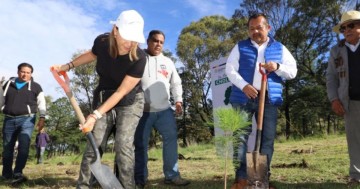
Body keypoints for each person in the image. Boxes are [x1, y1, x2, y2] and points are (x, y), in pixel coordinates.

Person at [51, 9, 146, 189]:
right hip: (104, 97)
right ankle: (84, 185)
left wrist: (94, 116)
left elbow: (121, 92)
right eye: (127, 37)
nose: (130, 43)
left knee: (123, 146)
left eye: (134, 38)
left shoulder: (140, 58)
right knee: (94, 144)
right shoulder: (102, 42)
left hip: (130, 101)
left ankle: (127, 186)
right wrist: (67, 66)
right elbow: (92, 54)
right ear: (115, 31)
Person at [225, 13, 297, 189]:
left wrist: (277, 67)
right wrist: (244, 86)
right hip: (243, 98)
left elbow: (293, 71)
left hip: (269, 100)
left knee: (267, 139)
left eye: (259, 27)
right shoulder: (240, 46)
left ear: (268, 28)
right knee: (239, 138)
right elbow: (230, 70)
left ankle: (261, 179)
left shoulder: (279, 48)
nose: (255, 31)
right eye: (251, 28)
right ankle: (242, 178)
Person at [134, 30, 190, 188]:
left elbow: (176, 83)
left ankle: (172, 175)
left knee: (171, 140)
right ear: (148, 41)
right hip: (142, 111)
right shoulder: (138, 58)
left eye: (161, 42)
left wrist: (178, 100)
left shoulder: (168, 61)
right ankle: (140, 179)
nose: (158, 44)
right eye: (155, 40)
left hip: (165, 110)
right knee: (140, 144)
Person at [326, 10, 360, 185]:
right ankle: (355, 175)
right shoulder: (336, 51)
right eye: (343, 28)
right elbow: (331, 77)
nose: (347, 30)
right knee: (354, 140)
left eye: (351, 25)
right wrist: (334, 99)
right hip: (350, 102)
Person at [1, 63, 46, 184]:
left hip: (27, 119)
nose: (25, 74)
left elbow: (41, 102)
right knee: (7, 148)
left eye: (28, 72)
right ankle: (6, 174)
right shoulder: (7, 84)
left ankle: (18, 174)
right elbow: (1, 100)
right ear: (18, 72)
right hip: (9, 119)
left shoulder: (36, 87)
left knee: (24, 146)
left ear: (31, 74)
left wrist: (42, 117)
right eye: (23, 71)